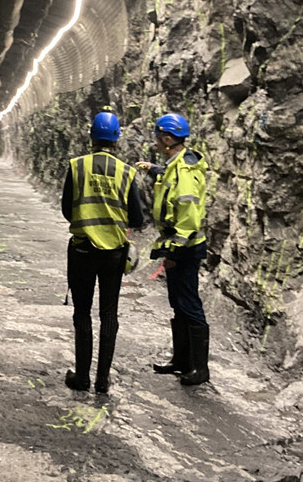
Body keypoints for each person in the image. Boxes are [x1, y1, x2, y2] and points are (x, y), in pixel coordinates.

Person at [62, 111, 145, 394]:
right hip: (113, 253)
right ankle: (102, 381)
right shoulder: (126, 172)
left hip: (83, 250)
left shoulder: (77, 166)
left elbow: (65, 209)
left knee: (82, 312)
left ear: (91, 137)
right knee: (109, 313)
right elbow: (136, 217)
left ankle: (82, 377)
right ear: (117, 140)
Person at [136, 112, 211, 386]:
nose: (155, 143)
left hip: (186, 248)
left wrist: (173, 253)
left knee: (189, 303)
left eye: (158, 139)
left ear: (168, 139)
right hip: (179, 245)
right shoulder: (176, 163)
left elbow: (188, 216)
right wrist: (153, 169)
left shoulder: (185, 171)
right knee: (178, 302)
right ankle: (181, 361)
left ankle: (199, 370)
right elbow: (170, 179)